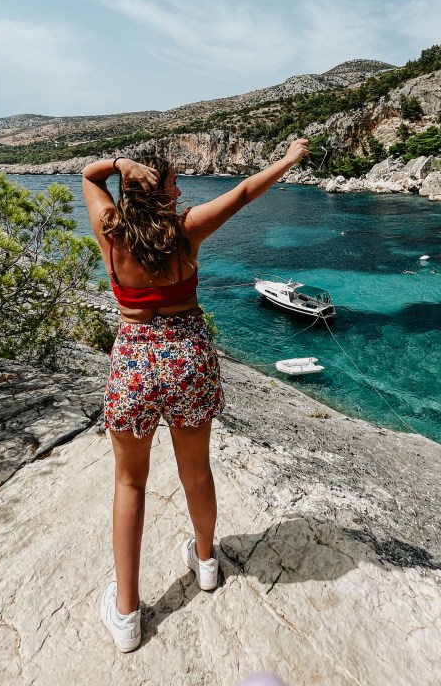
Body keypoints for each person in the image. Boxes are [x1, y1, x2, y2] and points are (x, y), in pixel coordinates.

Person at [82, 139, 310, 652]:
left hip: (134, 361)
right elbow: (245, 191)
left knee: (130, 482)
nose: (182, 190)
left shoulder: (110, 231)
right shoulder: (186, 231)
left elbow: (89, 176)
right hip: (188, 359)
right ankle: (206, 563)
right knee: (197, 471)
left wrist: (119, 164)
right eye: (174, 183)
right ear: (159, 192)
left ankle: (126, 615)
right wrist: (289, 159)